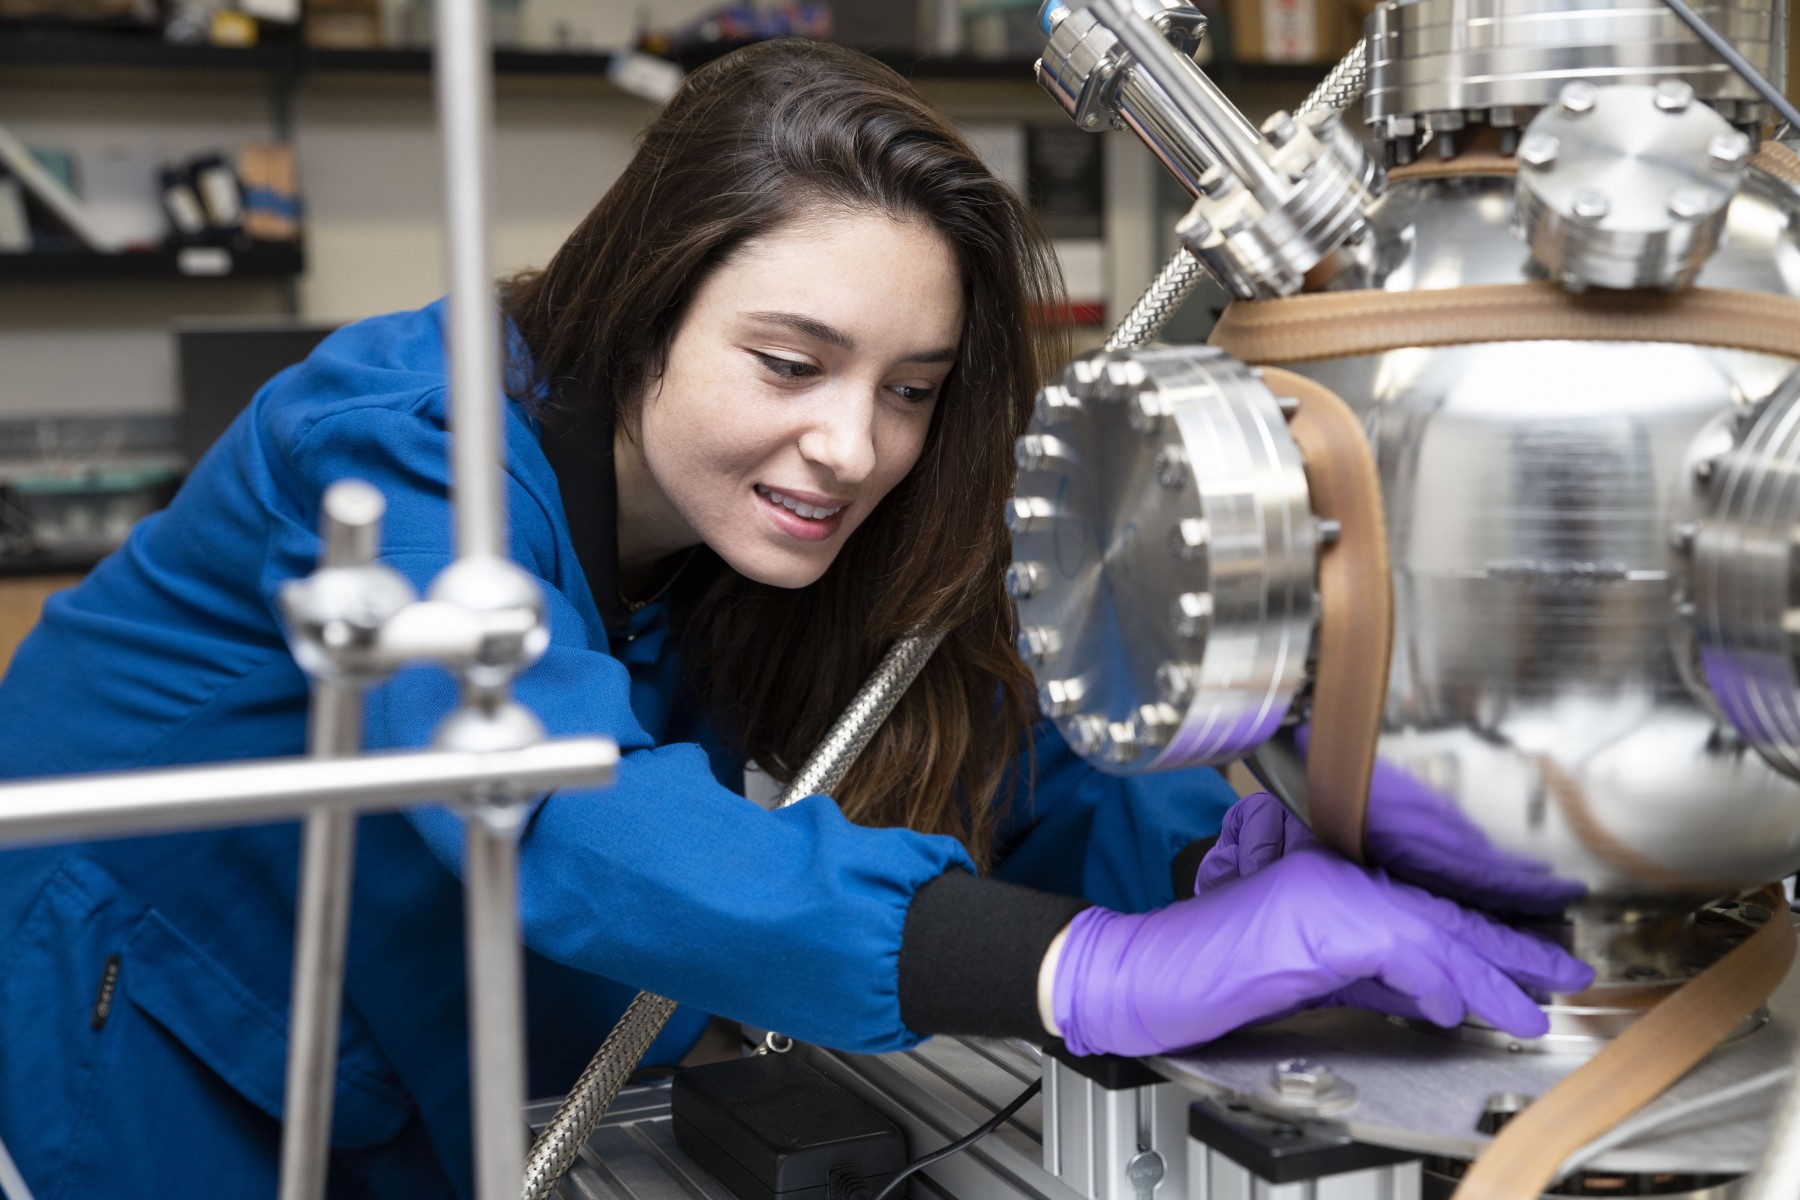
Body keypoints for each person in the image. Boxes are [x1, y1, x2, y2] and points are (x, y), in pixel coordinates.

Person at [0, 39, 1589, 1200]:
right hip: (163, 991)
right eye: (787, 362)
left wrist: (1202, 874)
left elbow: (981, 736)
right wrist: (1083, 974)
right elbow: (561, 813)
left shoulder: (761, 519)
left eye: (910, 390)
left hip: (429, 1030)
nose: (854, 447)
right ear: (644, 305)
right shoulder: (401, 439)